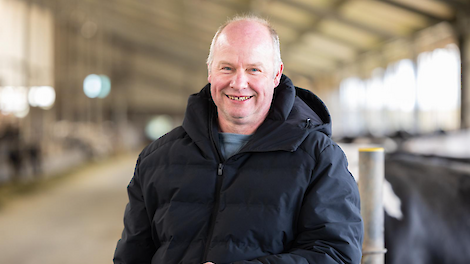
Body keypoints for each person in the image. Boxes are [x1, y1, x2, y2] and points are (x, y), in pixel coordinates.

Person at [114, 15, 363, 264]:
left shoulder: (319, 159)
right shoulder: (156, 159)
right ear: (210, 71)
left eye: (254, 69)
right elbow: (131, 256)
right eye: (227, 68)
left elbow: (336, 254)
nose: (239, 83)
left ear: (276, 75)